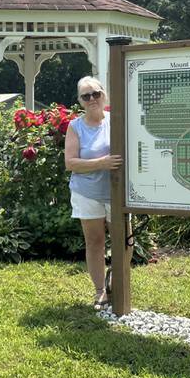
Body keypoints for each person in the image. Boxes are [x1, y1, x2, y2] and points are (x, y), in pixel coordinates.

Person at [64, 76, 122, 309]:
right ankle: (100, 291)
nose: (92, 99)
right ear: (80, 101)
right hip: (87, 193)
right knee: (95, 242)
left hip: (117, 193)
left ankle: (116, 281)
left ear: (104, 95)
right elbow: (71, 163)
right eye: (86, 96)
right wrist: (102, 163)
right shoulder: (75, 126)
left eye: (95, 94)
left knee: (125, 241)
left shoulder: (116, 120)